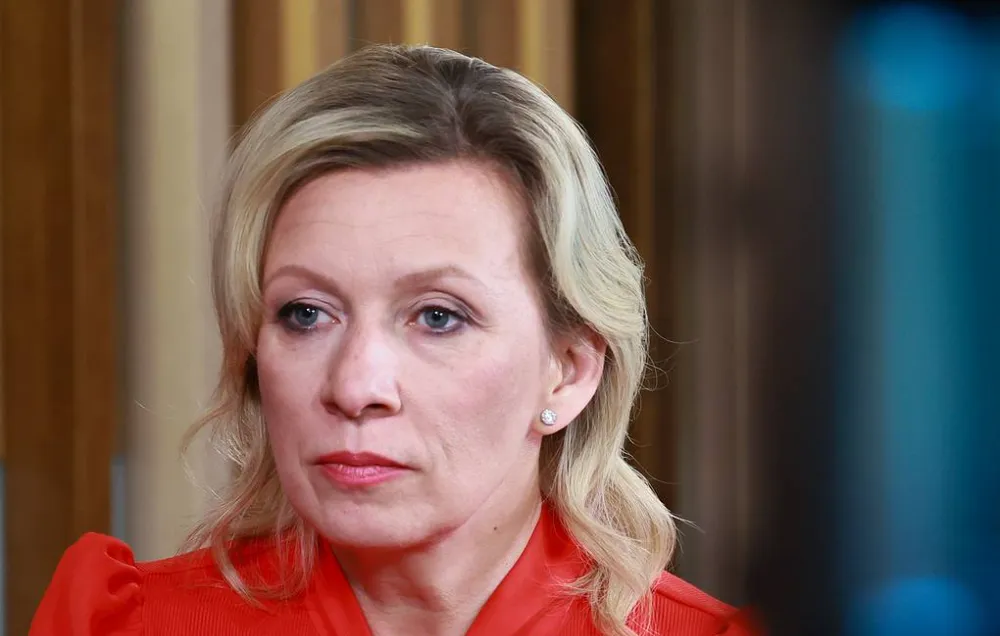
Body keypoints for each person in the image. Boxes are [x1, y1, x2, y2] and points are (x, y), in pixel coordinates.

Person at [31, 44, 752, 636]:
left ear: (567, 373)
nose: (355, 387)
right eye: (306, 314)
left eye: (438, 317)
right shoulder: (124, 625)